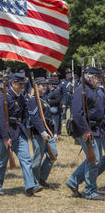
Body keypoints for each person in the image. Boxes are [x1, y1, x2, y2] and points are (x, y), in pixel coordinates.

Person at [0, 73, 42, 196]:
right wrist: (5, 137)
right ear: (13, 83)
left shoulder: (22, 97)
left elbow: (25, 115)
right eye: (20, 84)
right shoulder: (5, 97)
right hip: (7, 133)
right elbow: (1, 120)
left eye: (23, 84)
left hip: (19, 131)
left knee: (26, 159)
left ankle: (30, 186)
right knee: (0, 161)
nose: (23, 86)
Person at [66, 67, 105, 200]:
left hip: (96, 130)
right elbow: (77, 113)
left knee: (95, 159)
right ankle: (90, 191)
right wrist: (86, 130)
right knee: (94, 160)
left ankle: (73, 181)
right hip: (86, 131)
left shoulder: (93, 90)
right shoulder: (81, 90)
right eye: (96, 77)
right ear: (89, 77)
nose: (98, 80)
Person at [28, 77, 58, 188]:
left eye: (45, 85)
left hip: (48, 132)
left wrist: (54, 133)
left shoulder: (44, 99)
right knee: (37, 159)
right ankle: (33, 181)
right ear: (36, 87)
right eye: (42, 85)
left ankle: (42, 178)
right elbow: (35, 118)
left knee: (53, 154)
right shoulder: (33, 100)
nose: (45, 87)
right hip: (39, 133)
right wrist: (42, 132)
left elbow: (49, 118)